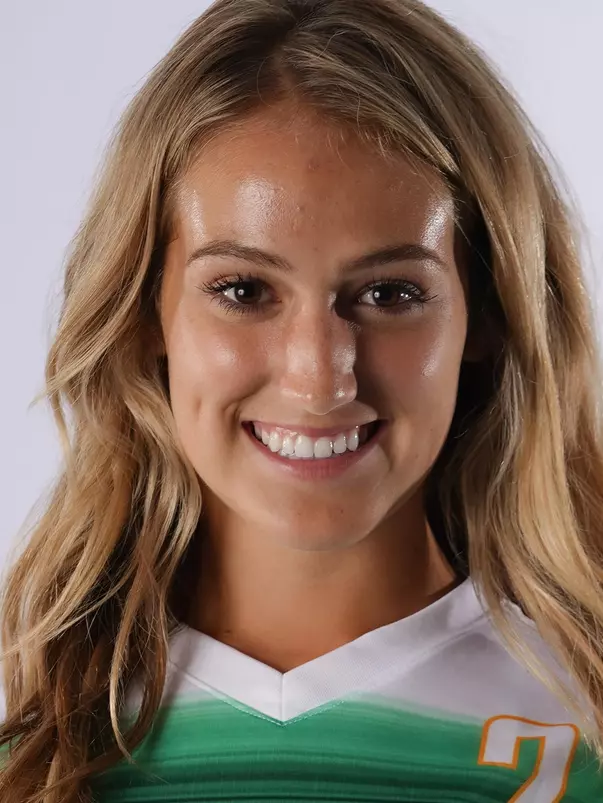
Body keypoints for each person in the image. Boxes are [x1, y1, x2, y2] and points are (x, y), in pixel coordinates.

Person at [2, 0, 603, 799]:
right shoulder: (36, 754)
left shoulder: (584, 728)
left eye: (389, 293)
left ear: (487, 313)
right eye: (243, 289)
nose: (319, 379)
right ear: (145, 311)